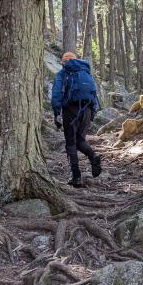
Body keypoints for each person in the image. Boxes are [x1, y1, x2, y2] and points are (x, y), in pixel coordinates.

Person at [51, 52, 102, 188]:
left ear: (63, 62)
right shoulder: (85, 72)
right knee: (80, 141)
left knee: (71, 143)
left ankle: (76, 176)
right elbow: (94, 94)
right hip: (87, 109)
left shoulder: (63, 74)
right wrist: (92, 114)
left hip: (71, 110)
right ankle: (93, 156)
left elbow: (56, 94)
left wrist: (56, 113)